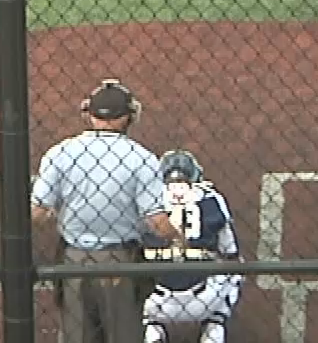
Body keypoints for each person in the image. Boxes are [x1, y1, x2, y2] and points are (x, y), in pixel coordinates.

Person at [32, 79, 183, 343]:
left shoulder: (60, 153)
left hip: (73, 261)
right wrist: (181, 238)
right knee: (123, 336)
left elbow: (38, 213)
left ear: (89, 114)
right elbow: (157, 222)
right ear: (128, 117)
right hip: (119, 263)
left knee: (77, 336)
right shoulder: (141, 158)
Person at [140, 150, 242, 343]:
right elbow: (230, 250)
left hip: (155, 300)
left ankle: (151, 328)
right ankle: (215, 325)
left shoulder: (148, 197)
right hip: (204, 300)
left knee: (127, 263)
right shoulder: (211, 197)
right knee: (236, 269)